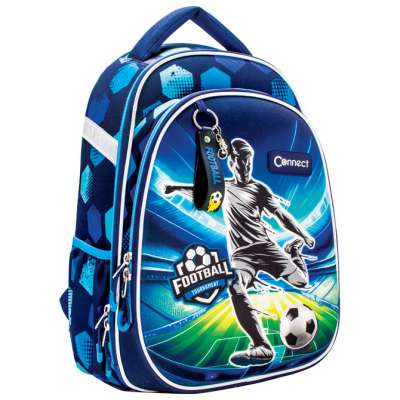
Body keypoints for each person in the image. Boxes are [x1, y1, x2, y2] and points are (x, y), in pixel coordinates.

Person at [164, 138, 315, 367]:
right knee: (235, 284)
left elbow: (282, 216)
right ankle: (261, 346)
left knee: (302, 281)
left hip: (266, 248)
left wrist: (303, 235)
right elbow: (199, 192)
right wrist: (175, 188)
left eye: (249, 162)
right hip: (242, 256)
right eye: (241, 162)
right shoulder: (223, 188)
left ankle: (292, 251)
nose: (246, 167)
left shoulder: (259, 189)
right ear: (232, 163)